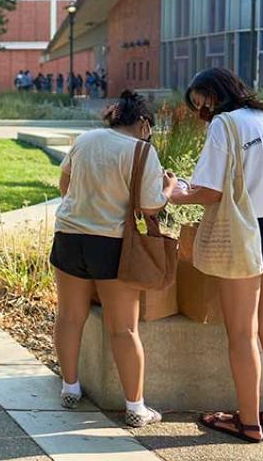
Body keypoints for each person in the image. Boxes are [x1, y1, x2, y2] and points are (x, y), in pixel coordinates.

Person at [171, 68, 263, 443]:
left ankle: (247, 422)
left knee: (242, 334)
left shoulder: (225, 125)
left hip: (248, 231)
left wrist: (175, 192)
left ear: (217, 95)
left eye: (202, 103)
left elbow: (209, 192)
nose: (202, 113)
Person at [50, 90, 172, 428]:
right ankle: (135, 407)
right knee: (123, 328)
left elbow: (65, 183)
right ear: (144, 123)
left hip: (69, 236)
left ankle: (70, 387)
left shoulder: (85, 139)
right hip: (113, 245)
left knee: (70, 316)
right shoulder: (142, 151)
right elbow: (150, 206)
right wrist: (169, 190)